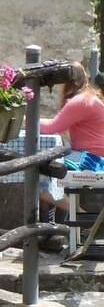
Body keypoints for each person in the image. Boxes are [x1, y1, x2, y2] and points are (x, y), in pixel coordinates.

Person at [40, 62, 104, 217]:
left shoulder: (81, 102)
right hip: (94, 158)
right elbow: (60, 127)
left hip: (90, 160)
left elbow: (52, 128)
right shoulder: (89, 98)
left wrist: (22, 120)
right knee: (43, 169)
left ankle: (87, 219)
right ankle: (49, 224)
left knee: (36, 180)